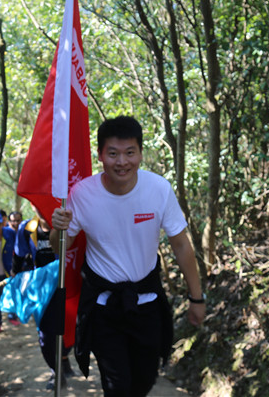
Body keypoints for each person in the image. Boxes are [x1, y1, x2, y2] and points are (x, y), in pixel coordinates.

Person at [51, 116, 206, 396]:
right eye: (113, 153)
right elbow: (60, 246)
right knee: (117, 385)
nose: (122, 162)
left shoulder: (158, 189)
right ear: (100, 155)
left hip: (147, 302)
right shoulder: (82, 194)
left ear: (140, 153)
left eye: (130, 152)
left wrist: (196, 298)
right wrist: (57, 229)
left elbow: (181, 245)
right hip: (104, 306)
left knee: (144, 380)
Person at [14, 213, 75, 390]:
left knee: (72, 330)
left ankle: (63, 357)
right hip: (41, 291)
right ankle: (56, 371)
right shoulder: (27, 228)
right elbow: (18, 257)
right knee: (46, 336)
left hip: (68, 287)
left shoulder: (70, 223)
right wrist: (17, 281)